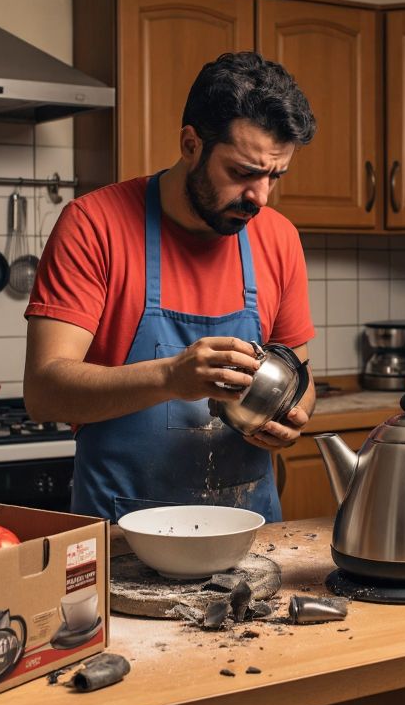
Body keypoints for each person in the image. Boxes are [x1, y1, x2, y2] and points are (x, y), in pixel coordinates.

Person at [23, 52, 318, 523]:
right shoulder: (93, 225)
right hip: (123, 535)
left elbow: (299, 377)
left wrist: (289, 416)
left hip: (248, 530)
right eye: (243, 173)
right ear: (190, 144)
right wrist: (169, 378)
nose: (260, 198)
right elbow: (44, 393)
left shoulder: (278, 237)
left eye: (275, 176)